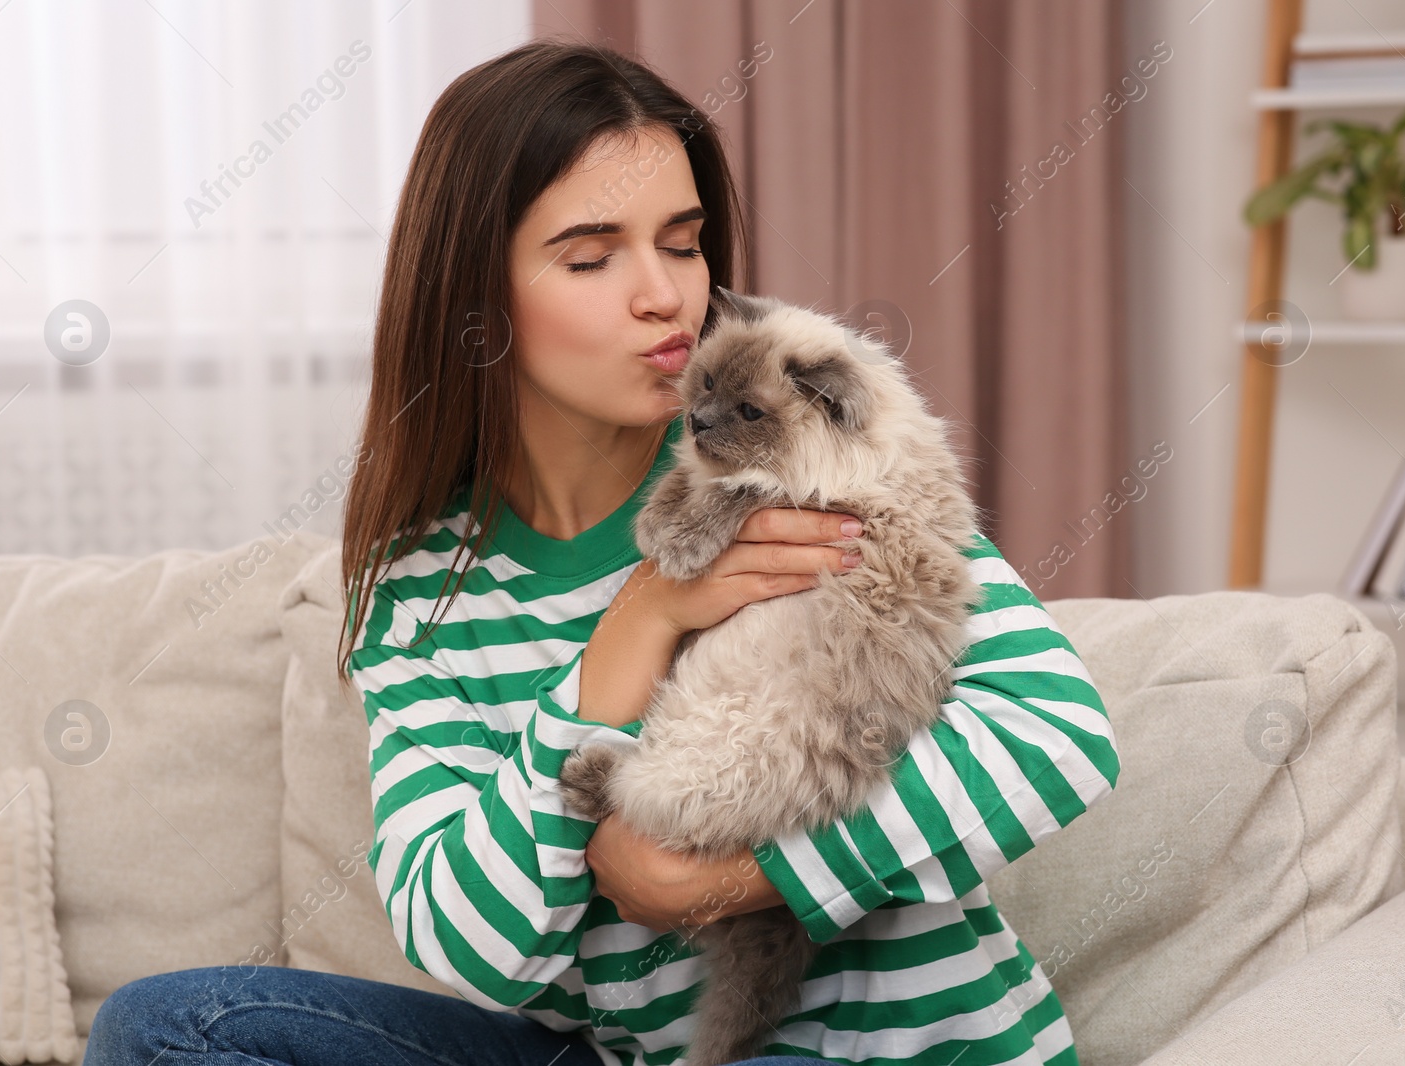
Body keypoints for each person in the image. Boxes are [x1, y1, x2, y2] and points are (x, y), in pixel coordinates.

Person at [86, 38, 1120, 1066]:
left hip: (896, 1053)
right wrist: (637, 626)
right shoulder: (417, 588)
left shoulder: (798, 459)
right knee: (168, 1027)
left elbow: (1058, 735)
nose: (663, 296)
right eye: (590, 257)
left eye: (681, 242)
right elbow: (475, 945)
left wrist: (731, 875)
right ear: (473, 299)